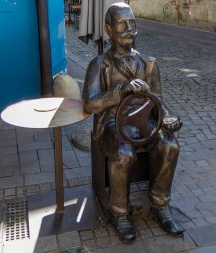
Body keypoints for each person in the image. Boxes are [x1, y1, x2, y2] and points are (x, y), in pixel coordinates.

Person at [82, 3, 185, 243]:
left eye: (133, 24)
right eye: (122, 24)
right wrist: (119, 90)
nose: (130, 29)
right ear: (109, 29)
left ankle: (160, 205)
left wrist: (169, 117)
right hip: (112, 123)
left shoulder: (148, 64)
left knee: (170, 145)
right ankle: (119, 212)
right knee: (123, 153)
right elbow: (89, 104)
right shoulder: (99, 65)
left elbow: (157, 100)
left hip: (145, 120)